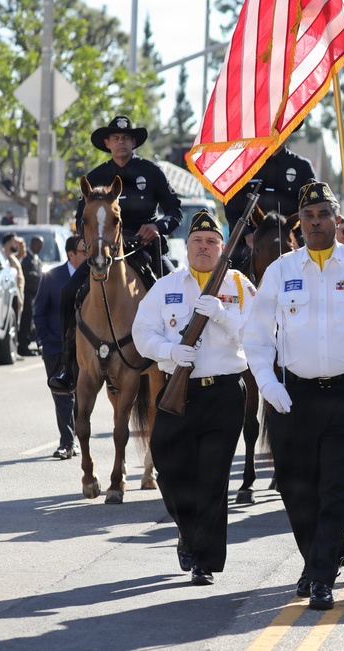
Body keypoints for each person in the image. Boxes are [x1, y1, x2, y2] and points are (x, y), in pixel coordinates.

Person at [243, 181, 344, 611]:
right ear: (300, 222)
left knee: (335, 491)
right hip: (294, 398)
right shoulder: (280, 270)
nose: (316, 223)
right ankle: (317, 560)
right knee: (297, 491)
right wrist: (268, 384)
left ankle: (321, 577)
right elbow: (255, 337)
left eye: (323, 215)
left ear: (337, 220)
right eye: (308, 216)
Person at [133, 211, 255, 586]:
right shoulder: (166, 285)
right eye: (197, 242)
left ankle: (204, 558)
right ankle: (187, 530)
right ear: (186, 247)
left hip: (224, 392)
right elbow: (142, 332)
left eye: (211, 242)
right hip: (178, 393)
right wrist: (170, 352)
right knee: (169, 467)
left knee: (214, 478)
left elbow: (258, 335)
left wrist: (221, 315)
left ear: (222, 248)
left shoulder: (239, 286)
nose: (204, 248)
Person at [49, 115, 183, 394]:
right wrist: (89, 240)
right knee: (67, 293)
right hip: (105, 251)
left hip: (146, 249)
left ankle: (177, 363)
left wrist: (157, 227)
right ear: (107, 143)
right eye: (115, 138)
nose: (121, 142)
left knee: (176, 293)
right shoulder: (96, 176)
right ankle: (66, 362)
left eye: (126, 138)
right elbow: (80, 218)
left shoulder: (153, 171)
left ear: (134, 142)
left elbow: (175, 210)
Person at [33, 236, 87, 459]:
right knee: (62, 394)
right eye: (84, 251)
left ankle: (75, 437)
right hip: (55, 347)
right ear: (71, 254)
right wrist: (44, 339)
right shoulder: (52, 277)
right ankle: (66, 442)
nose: (88, 255)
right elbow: (39, 310)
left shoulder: (93, 275)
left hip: (85, 348)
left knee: (80, 395)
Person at [222, 140, 315, 267]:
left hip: (291, 242)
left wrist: (291, 238)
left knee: (310, 270)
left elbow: (311, 208)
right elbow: (231, 207)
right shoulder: (242, 164)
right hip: (247, 243)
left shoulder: (302, 167)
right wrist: (247, 235)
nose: (277, 134)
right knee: (228, 277)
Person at [19, 236, 44, 356]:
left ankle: (27, 344)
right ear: (33, 244)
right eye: (38, 245)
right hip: (27, 293)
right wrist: (38, 276)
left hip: (35, 294)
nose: (40, 249)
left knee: (31, 322)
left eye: (41, 247)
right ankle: (22, 346)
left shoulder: (37, 258)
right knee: (26, 321)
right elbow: (25, 275)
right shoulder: (26, 258)